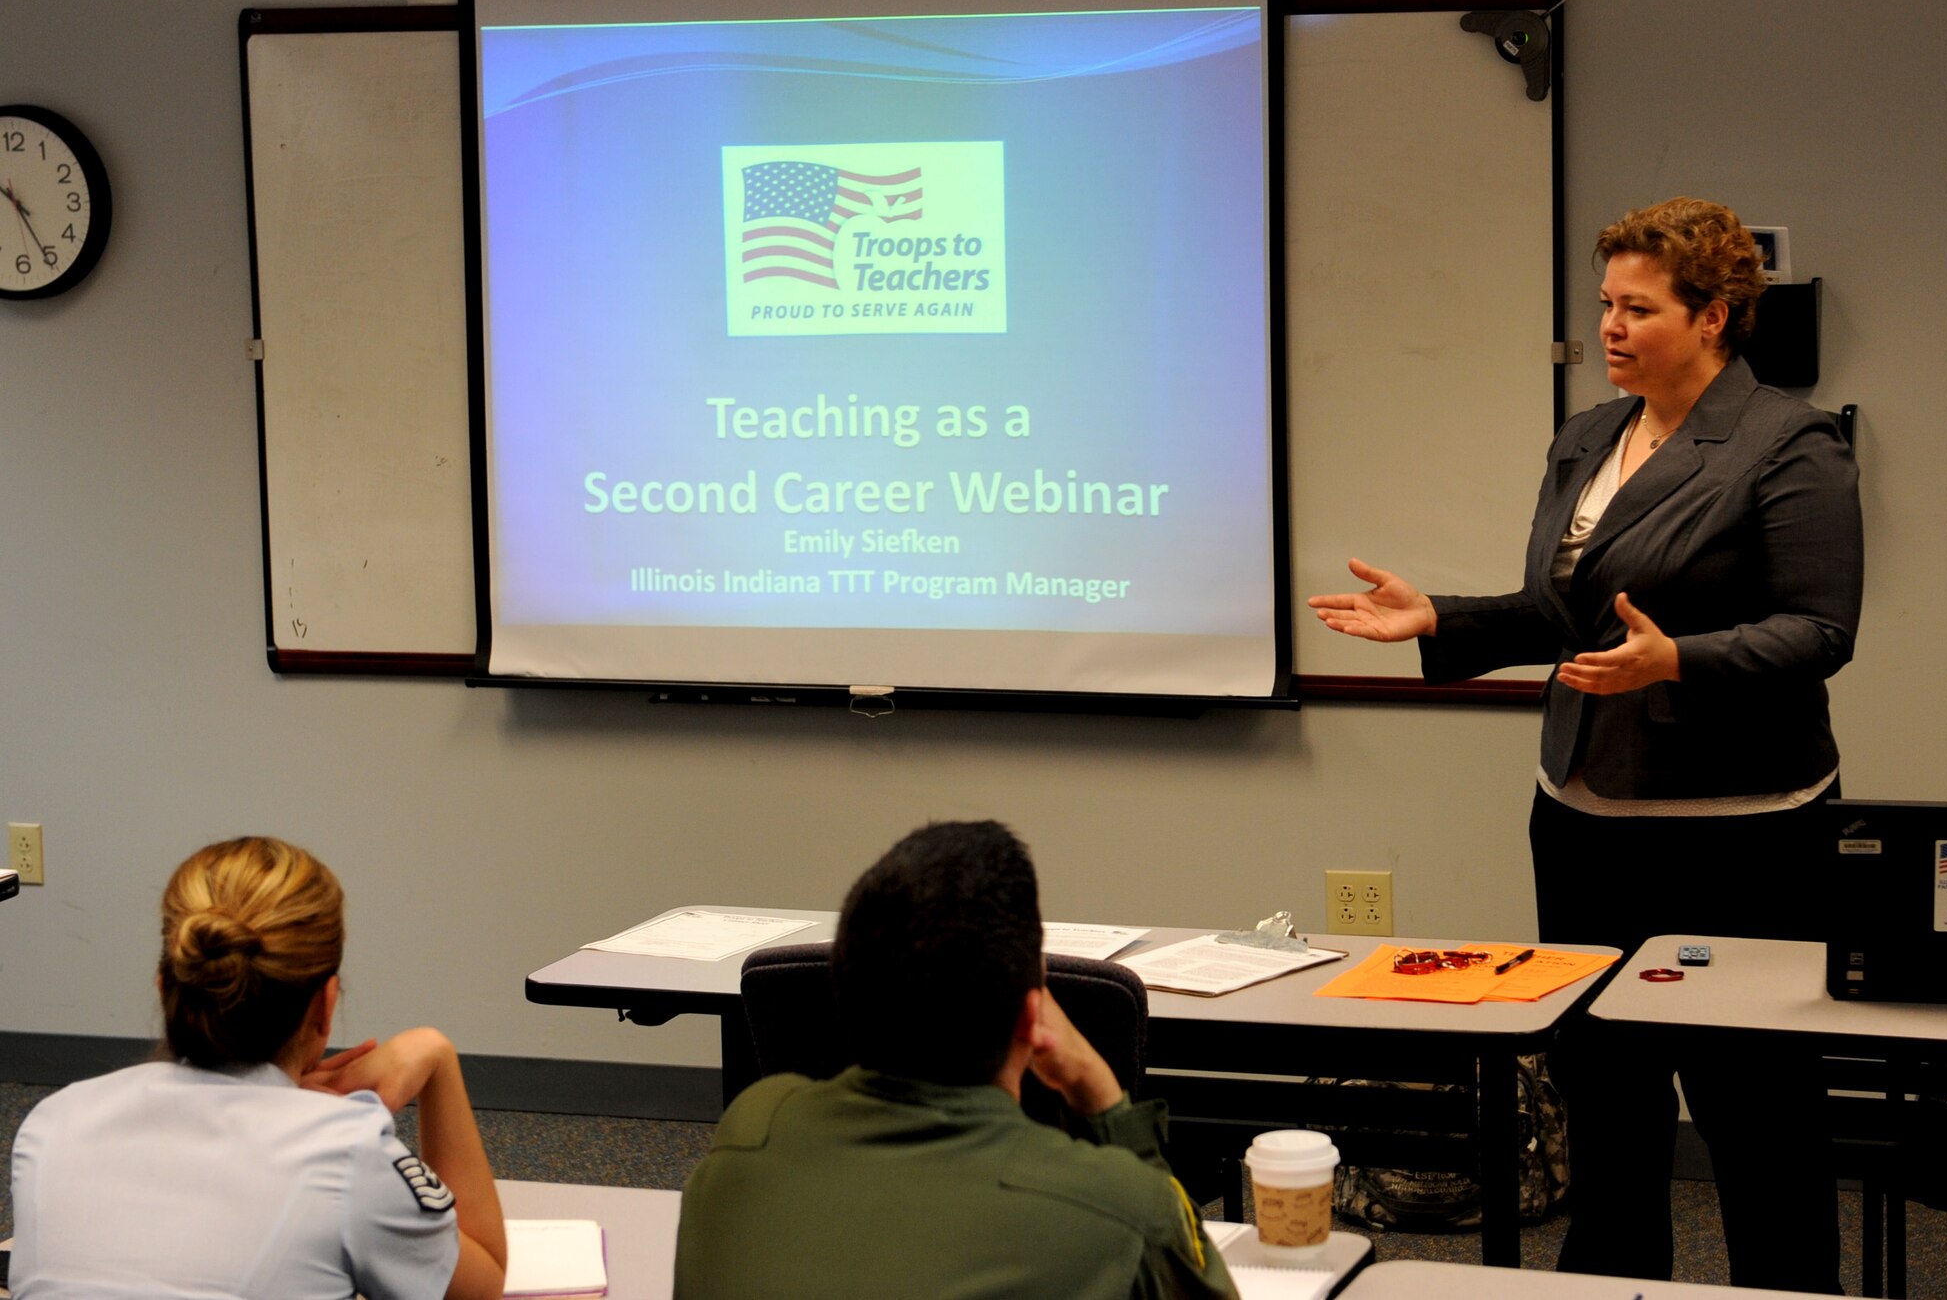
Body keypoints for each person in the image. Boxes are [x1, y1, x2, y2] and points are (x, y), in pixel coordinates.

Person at [1308, 197, 1861, 1292]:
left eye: (1636, 308)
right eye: (1602, 303)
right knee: (1606, 1101)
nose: (1607, 326)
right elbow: (1562, 615)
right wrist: (1442, 621)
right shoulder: (1586, 437)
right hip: (1581, 819)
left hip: (1736, 832)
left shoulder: (1783, 440)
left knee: (1755, 1116)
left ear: (1712, 317)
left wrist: (1680, 661)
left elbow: (1819, 629)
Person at [674, 819, 1238, 1300]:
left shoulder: (751, 1133)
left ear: (844, 987)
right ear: (1030, 1019)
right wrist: (1098, 1088)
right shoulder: (1117, 1208)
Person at [9, 836, 507, 1300]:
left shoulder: (52, 1122)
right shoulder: (347, 1152)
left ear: (165, 987)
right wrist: (436, 1057)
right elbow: (480, 1287)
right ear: (326, 1004)